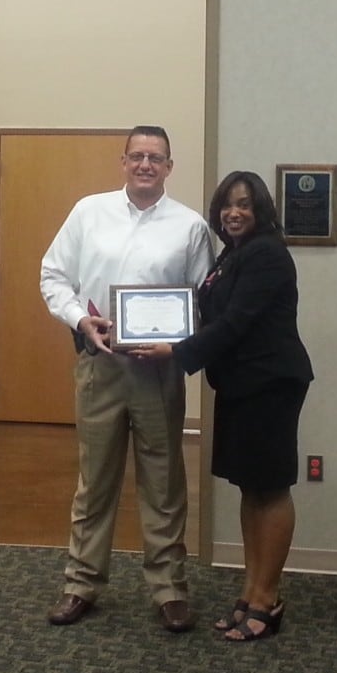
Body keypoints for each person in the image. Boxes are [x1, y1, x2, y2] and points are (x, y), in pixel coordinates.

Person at [40, 124, 214, 632]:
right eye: (137, 156)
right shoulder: (88, 213)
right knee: (95, 481)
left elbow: (204, 299)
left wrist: (177, 343)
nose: (145, 165)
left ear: (169, 167)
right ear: (123, 162)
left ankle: (169, 589)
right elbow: (53, 275)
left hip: (159, 371)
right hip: (101, 365)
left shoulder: (190, 226)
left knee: (163, 482)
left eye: (155, 158)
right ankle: (80, 584)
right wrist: (80, 319)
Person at [130, 170, 313, 641]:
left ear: (261, 210)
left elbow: (235, 323)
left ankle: (267, 599)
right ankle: (251, 592)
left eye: (244, 204)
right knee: (251, 489)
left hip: (269, 384)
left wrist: (176, 351)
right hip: (240, 385)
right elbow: (208, 312)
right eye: (228, 205)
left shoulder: (267, 254)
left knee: (270, 488)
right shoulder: (232, 254)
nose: (234, 212)